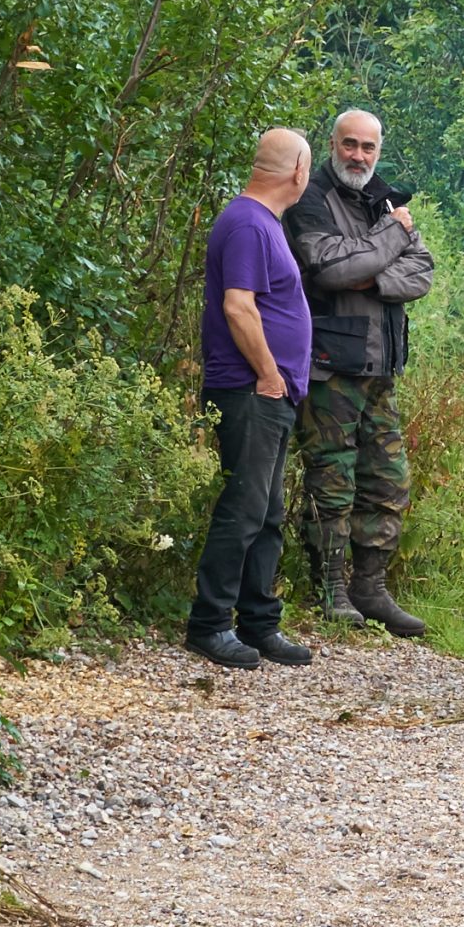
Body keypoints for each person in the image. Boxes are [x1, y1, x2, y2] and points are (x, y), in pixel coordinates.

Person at [286, 108, 435, 637]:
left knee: (387, 481)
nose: (358, 155)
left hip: (380, 367)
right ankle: (330, 589)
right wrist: (389, 240)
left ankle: (371, 589)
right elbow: (330, 267)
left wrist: (370, 276)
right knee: (332, 481)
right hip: (329, 364)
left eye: (368, 147)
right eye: (349, 144)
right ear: (333, 144)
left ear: (378, 150)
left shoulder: (383, 199)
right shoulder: (310, 198)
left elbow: (422, 271)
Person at [187, 129, 320, 671]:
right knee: (244, 508)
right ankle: (209, 624)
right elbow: (238, 306)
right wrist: (267, 373)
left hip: (270, 391)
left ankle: (259, 622)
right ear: (299, 171)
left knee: (266, 513)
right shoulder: (246, 223)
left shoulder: (265, 223)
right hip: (250, 389)